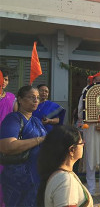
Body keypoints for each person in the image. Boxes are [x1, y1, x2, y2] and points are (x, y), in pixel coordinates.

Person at [0, 85, 47, 207]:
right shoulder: (13, 119)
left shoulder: (36, 121)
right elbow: (7, 146)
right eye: (31, 97)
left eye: (37, 97)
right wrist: (39, 139)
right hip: (17, 179)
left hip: (37, 177)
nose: (36, 100)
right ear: (20, 99)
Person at [36, 126, 93, 207]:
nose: (83, 145)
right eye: (81, 143)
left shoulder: (58, 174)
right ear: (72, 150)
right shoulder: (65, 180)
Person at [0, 69, 18, 207]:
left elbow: (16, 117)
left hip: (7, 139)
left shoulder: (12, 98)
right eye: (2, 79)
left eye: (6, 79)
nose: (4, 82)